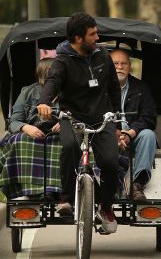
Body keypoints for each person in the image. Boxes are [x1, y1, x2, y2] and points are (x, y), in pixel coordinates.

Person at [37, 12, 121, 234]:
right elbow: (52, 82)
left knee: (111, 162)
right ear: (77, 38)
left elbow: (114, 88)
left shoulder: (103, 55)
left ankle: (106, 207)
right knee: (70, 147)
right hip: (72, 117)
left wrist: (118, 120)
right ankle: (66, 199)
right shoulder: (62, 60)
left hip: (102, 117)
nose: (97, 37)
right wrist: (44, 102)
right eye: (92, 34)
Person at [0, 58, 61, 199]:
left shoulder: (71, 93)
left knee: (70, 142)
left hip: (59, 136)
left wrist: (66, 124)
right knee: (20, 140)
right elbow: (13, 122)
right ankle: (26, 191)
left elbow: (82, 116)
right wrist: (26, 127)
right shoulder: (27, 92)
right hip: (33, 136)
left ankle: (57, 190)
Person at [110, 49, 157, 201]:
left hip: (134, 134)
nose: (119, 67)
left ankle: (138, 185)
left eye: (124, 63)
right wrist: (113, 132)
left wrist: (131, 132)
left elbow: (149, 117)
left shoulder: (141, 87)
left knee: (148, 135)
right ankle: (111, 184)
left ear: (130, 66)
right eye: (115, 63)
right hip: (107, 134)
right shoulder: (100, 88)